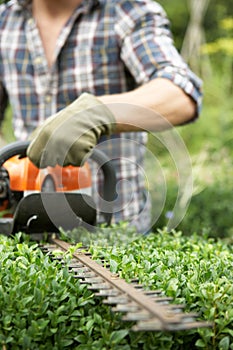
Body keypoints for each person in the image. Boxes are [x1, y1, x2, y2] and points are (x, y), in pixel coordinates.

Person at [0, 0, 203, 233]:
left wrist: (98, 114)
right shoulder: (5, 21)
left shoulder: (126, 11)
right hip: (27, 225)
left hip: (116, 230)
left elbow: (180, 93)